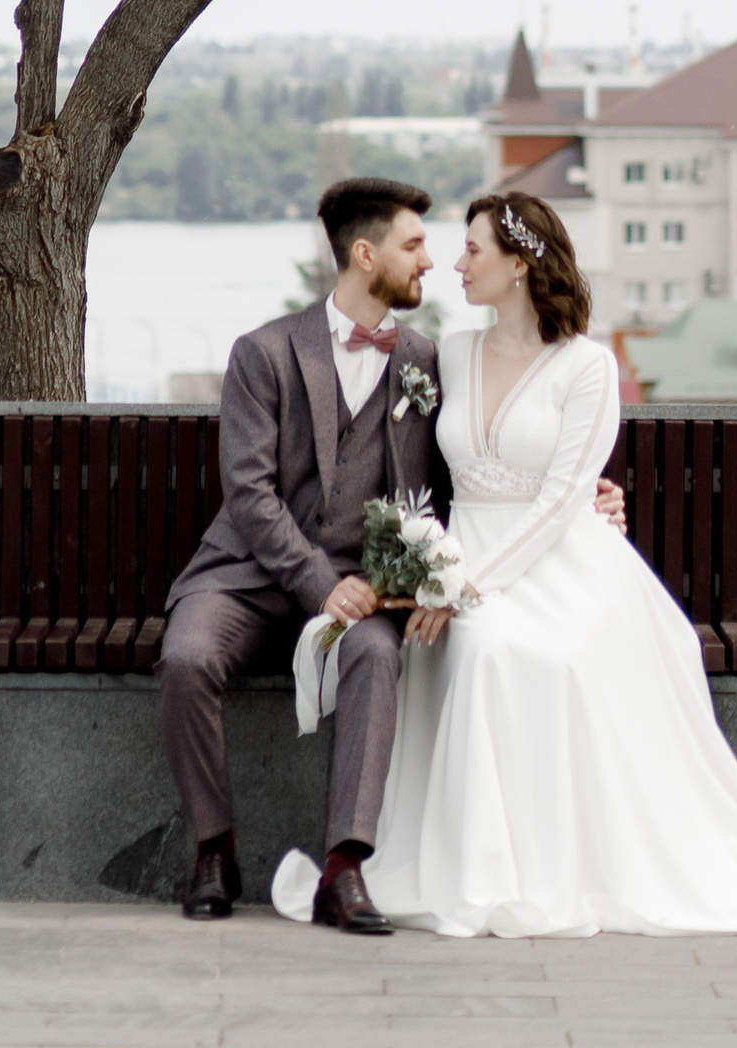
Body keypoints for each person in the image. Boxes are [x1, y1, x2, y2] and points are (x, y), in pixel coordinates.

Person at [344, 188, 737, 941]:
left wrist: (464, 586)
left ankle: (523, 872)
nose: (457, 263)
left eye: (473, 249)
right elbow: (415, 460)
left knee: (503, 649)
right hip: (464, 547)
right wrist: (426, 568)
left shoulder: (587, 368)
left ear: (517, 264)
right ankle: (473, 867)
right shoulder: (450, 353)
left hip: (560, 563)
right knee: (473, 646)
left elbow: (563, 496)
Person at [157, 173, 620, 933]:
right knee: (185, 659)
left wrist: (591, 492)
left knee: (378, 658)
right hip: (245, 577)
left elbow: (480, 451)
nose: (432, 263)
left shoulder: (428, 359)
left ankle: (345, 871)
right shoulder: (263, 353)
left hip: (369, 586)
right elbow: (249, 493)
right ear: (366, 255)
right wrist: (317, 582)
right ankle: (214, 848)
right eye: (415, 245)